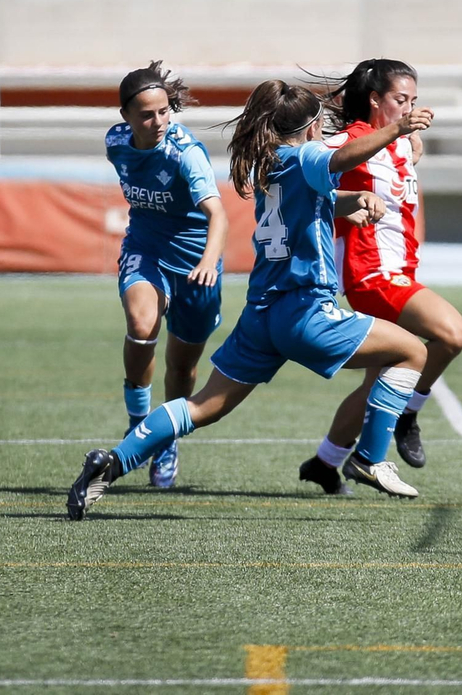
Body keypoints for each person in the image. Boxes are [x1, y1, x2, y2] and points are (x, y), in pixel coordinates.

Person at [68, 80, 433, 519]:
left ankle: (110, 463)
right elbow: (339, 158)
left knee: (203, 406)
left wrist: (349, 200)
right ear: (310, 127)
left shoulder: (270, 161)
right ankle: (369, 458)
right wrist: (397, 130)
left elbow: (308, 199)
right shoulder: (306, 155)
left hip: (261, 315)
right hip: (306, 310)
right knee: (412, 352)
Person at [297, 59, 462, 497]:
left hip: (400, 268)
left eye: (413, 100)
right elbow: (314, 166)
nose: (409, 108)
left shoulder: (401, 142)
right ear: (375, 100)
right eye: (400, 99)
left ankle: (326, 461)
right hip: (371, 273)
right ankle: (407, 414)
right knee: (451, 333)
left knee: (380, 380)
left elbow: (403, 160)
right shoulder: (354, 140)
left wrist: (408, 140)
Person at [104, 62, 228, 490]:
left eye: (164, 111)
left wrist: (208, 262)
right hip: (146, 249)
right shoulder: (116, 143)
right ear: (125, 116)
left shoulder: (186, 153)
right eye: (146, 115)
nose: (158, 121)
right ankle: (139, 422)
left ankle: (166, 438)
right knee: (141, 327)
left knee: (182, 364)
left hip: (196, 265)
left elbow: (218, 215)